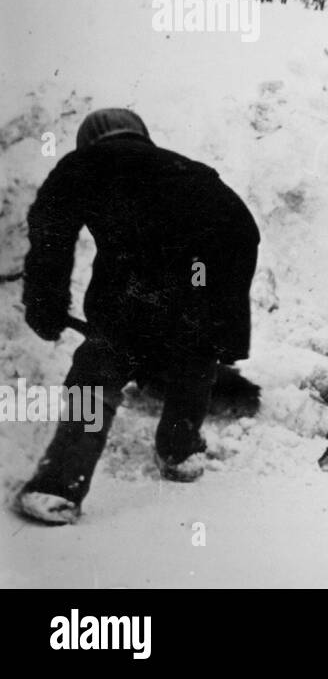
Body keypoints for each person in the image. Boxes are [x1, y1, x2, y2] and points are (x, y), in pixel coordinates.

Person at [17, 109, 260, 525]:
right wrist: (220, 322)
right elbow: (242, 231)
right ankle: (179, 451)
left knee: (95, 377)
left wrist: (45, 306)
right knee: (193, 359)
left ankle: (58, 485)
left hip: (131, 294)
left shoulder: (83, 163)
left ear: (88, 141)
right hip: (197, 282)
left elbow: (50, 235)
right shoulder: (190, 170)